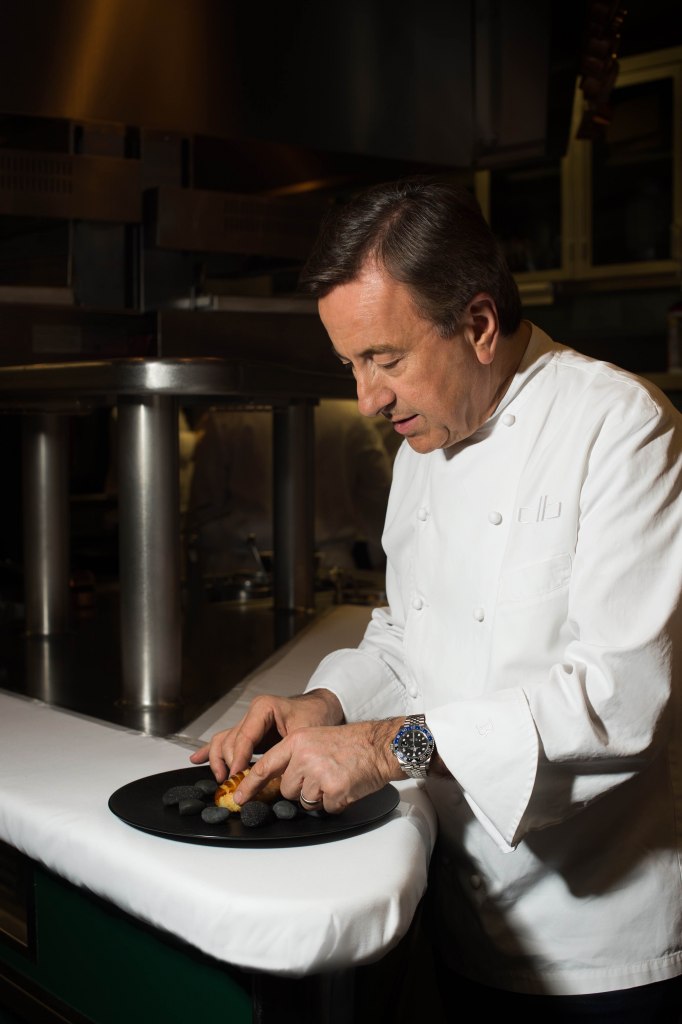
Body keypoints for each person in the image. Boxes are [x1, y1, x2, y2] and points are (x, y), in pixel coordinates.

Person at [190, 177, 682, 1020]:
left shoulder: (621, 427)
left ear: (479, 325)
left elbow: (617, 703)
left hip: (602, 947)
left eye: (385, 359)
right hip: (463, 909)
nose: (367, 400)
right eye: (351, 365)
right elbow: (408, 635)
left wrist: (381, 750)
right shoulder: (422, 444)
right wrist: (327, 705)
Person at [187, 398, 392, 576]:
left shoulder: (226, 416)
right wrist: (380, 558)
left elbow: (204, 507)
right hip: (329, 566)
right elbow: (380, 501)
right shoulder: (352, 418)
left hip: (242, 568)